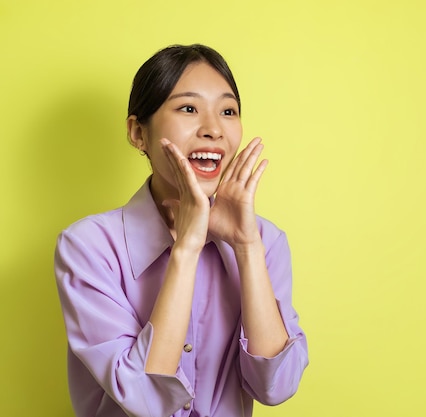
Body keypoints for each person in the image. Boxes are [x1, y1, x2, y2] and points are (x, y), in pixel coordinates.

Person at [54, 44, 308, 417]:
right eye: (188, 108)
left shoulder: (264, 241)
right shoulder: (87, 247)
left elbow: (276, 386)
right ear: (138, 133)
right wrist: (187, 248)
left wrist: (246, 245)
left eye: (228, 111)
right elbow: (144, 398)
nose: (213, 130)